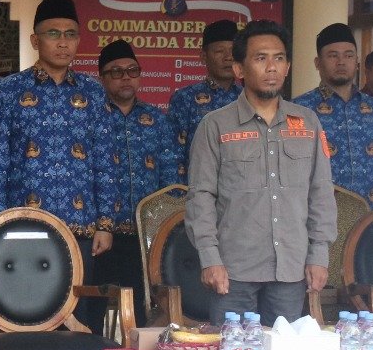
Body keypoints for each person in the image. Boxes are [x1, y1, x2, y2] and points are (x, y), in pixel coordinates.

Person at [0, 0, 114, 350]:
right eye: (53, 34)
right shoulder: (9, 91)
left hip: (80, 226)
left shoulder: (92, 93)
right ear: (36, 40)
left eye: (71, 34)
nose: (63, 42)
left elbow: (104, 160)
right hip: (23, 227)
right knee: (18, 313)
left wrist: (105, 223)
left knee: (79, 314)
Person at [186, 19, 336, 325]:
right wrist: (210, 258)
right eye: (260, 58)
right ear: (239, 69)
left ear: (288, 67)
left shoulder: (307, 122)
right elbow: (201, 197)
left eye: (279, 58)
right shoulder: (215, 125)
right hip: (233, 271)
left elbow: (321, 191)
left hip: (290, 269)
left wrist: (319, 255)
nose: (271, 68)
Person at [93, 38, 180, 309]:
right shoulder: (92, 117)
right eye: (116, 72)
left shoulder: (156, 119)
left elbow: (170, 176)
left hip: (146, 235)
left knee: (143, 309)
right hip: (101, 233)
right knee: (94, 305)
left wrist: (168, 225)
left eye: (132, 70)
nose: (126, 77)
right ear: (102, 78)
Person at [293, 23, 373, 206]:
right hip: (320, 215)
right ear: (317, 63)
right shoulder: (299, 110)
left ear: (357, 62)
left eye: (348, 55)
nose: (341, 62)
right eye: (333, 55)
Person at [167, 19, 241, 172]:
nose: (228, 57)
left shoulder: (247, 98)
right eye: (219, 51)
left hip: (241, 185)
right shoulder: (185, 98)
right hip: (198, 184)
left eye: (233, 51)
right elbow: (173, 154)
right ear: (203, 56)